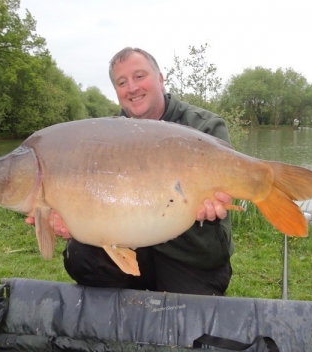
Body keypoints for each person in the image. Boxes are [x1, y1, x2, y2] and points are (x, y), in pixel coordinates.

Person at [26, 47, 234, 296]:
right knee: (80, 255)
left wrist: (216, 204)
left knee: (185, 324)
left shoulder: (204, 126)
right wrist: (74, 222)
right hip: (134, 246)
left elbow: (227, 191)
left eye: (139, 76)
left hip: (193, 253)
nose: (132, 88)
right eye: (122, 82)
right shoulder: (105, 139)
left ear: (160, 79)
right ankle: (123, 309)